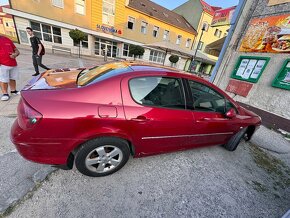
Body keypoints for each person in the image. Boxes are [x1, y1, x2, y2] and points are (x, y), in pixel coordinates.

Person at [0, 35, 20, 101]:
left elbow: (17, 51)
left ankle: (13, 91)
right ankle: (5, 94)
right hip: (2, 64)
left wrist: (15, 54)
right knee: (3, 80)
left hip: (13, 63)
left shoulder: (7, 39)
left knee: (13, 78)